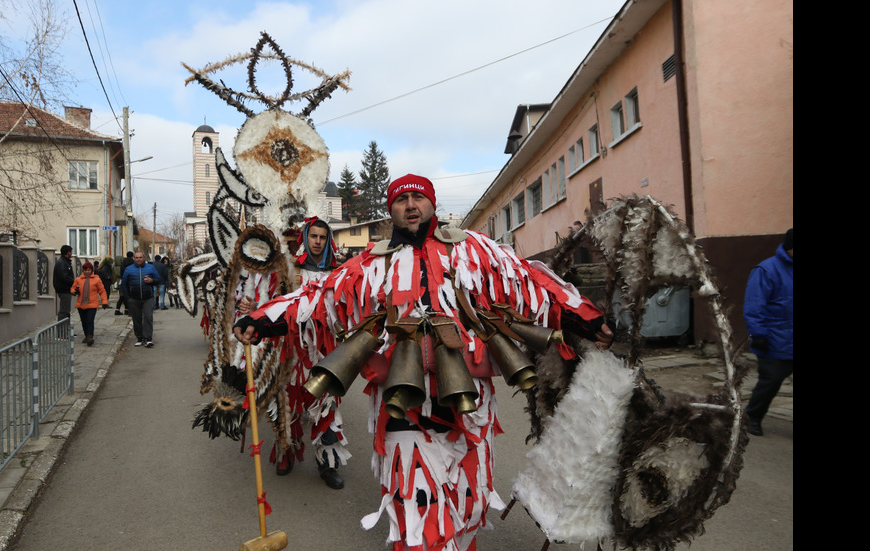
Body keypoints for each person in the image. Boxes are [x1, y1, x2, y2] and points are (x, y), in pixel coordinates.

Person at [234, 174, 614, 550]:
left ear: (432, 203)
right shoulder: (369, 265)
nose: (411, 205)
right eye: (402, 200)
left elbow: (527, 282)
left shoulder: (475, 250)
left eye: (418, 197)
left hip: (470, 407)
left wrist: (584, 318)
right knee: (418, 521)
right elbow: (318, 298)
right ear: (391, 210)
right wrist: (261, 321)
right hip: (403, 409)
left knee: (469, 510)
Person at [242, 217, 349, 490]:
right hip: (291, 351)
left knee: (326, 407)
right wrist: (253, 311)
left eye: (323, 237)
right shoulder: (289, 271)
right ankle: (286, 452)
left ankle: (328, 464)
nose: (317, 241)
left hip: (326, 352)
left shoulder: (339, 273)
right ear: (305, 237)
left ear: (328, 241)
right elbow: (271, 305)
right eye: (313, 236)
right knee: (287, 404)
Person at [743, 228, 793, 436]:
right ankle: (752, 417)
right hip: (774, 339)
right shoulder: (766, 270)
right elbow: (754, 305)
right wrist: (759, 333)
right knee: (770, 382)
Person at [121, 251, 161, 348]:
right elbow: (124, 284)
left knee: (148, 317)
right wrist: (128, 298)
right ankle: (140, 338)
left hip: (148, 298)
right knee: (137, 319)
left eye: (140, 257)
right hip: (134, 298)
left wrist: (151, 281)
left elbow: (158, 280)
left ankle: (148, 338)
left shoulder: (150, 268)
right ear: (134, 259)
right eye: (137, 258)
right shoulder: (128, 270)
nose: (138, 259)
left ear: (144, 258)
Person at [70, 261, 109, 345]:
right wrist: (74, 291)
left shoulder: (96, 279)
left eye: (88, 270)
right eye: (85, 270)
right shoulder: (78, 280)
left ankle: (90, 337)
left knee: (90, 321)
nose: (87, 272)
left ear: (91, 270)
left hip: (92, 304)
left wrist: (104, 302)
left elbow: (102, 291)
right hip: (81, 304)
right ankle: (86, 335)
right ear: (83, 271)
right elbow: (72, 289)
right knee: (84, 321)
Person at [53, 245, 75, 321]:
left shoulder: (65, 262)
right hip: (64, 290)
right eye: (71, 252)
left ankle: (66, 330)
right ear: (68, 252)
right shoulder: (62, 263)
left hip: (66, 289)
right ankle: (62, 331)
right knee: (64, 311)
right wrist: (74, 282)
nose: (71, 253)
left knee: (66, 311)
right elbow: (64, 277)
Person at [115, 251, 135, 316]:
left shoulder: (122, 263)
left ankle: (122, 310)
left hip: (122, 281)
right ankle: (128, 310)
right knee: (129, 296)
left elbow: (120, 273)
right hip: (130, 281)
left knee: (122, 296)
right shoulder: (133, 262)